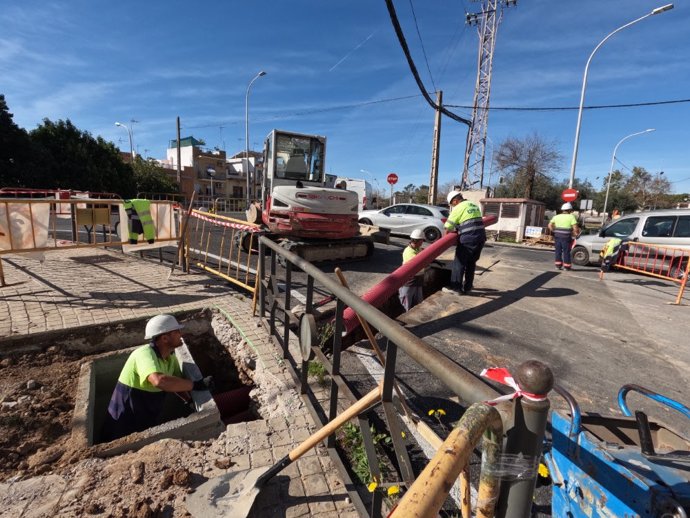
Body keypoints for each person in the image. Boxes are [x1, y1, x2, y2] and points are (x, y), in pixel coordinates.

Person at [101, 314, 213, 442]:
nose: (181, 334)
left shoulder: (170, 359)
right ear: (165, 338)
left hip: (146, 416)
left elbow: (175, 383)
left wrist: (189, 401)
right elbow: (159, 381)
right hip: (123, 420)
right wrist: (196, 385)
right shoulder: (144, 354)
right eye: (176, 332)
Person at [442, 191, 486, 295]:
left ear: (455, 201)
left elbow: (448, 227)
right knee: (471, 263)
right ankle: (468, 287)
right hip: (480, 238)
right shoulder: (473, 205)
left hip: (468, 239)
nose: (452, 206)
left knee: (459, 264)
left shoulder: (459, 207)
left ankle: (456, 288)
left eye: (452, 204)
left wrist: (444, 242)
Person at [398, 229, 426, 311]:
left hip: (418, 279)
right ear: (418, 241)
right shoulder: (409, 252)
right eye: (422, 240)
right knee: (406, 300)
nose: (423, 242)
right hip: (409, 280)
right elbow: (418, 264)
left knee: (419, 300)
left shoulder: (417, 248)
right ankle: (405, 317)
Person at [548, 203, 580, 271]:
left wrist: (554, 231)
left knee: (558, 251)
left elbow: (549, 225)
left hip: (557, 236)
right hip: (566, 237)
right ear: (569, 210)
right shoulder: (571, 217)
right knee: (566, 251)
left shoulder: (556, 216)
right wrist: (576, 233)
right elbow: (575, 227)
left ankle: (558, 265)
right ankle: (567, 266)